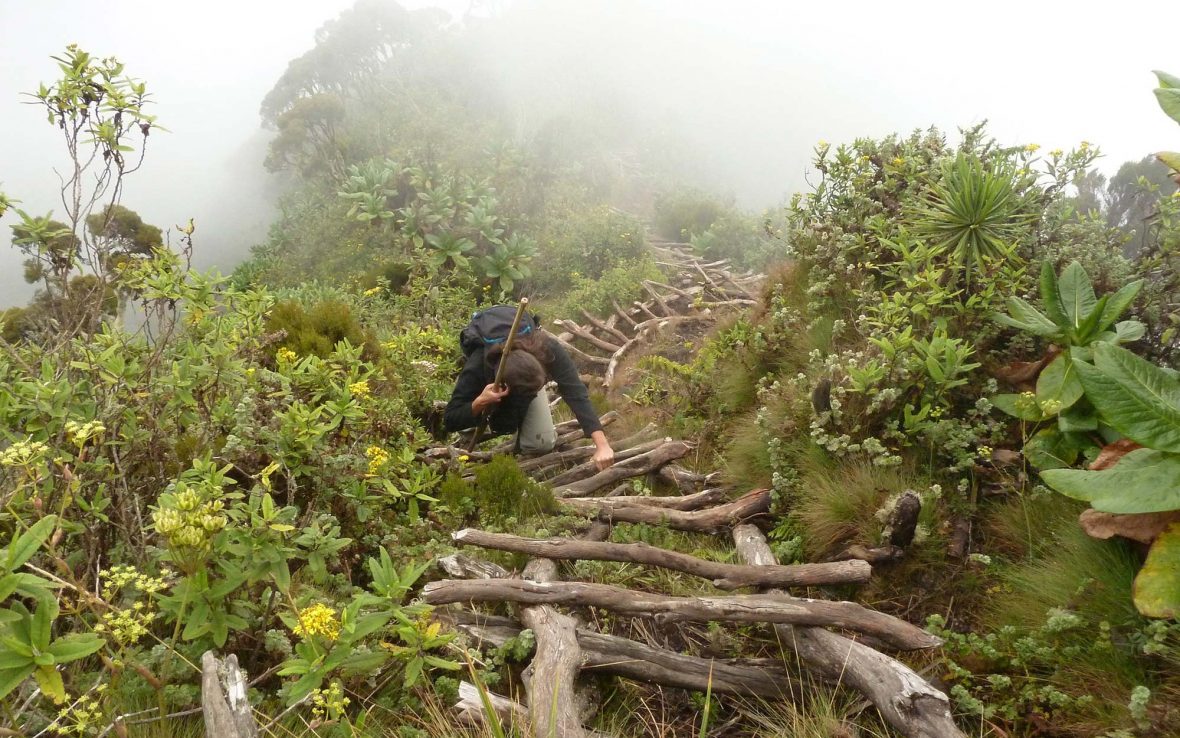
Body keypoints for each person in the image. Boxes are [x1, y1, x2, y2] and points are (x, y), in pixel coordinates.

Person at [444, 328, 616, 471]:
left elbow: (576, 393)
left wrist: (602, 445)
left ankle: (520, 433)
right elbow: (450, 420)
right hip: (489, 390)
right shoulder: (477, 367)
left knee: (541, 442)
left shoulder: (548, 349)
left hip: (526, 380)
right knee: (471, 425)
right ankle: (483, 425)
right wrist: (480, 401)